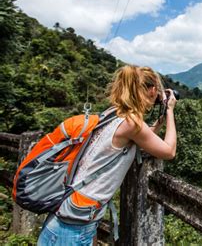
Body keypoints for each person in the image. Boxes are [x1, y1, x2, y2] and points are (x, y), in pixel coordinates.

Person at [37, 65, 177, 245]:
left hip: (70, 213)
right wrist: (170, 111)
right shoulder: (132, 124)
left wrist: (159, 122)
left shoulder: (114, 114)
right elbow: (169, 151)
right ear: (151, 90)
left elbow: (142, 137)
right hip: (73, 226)